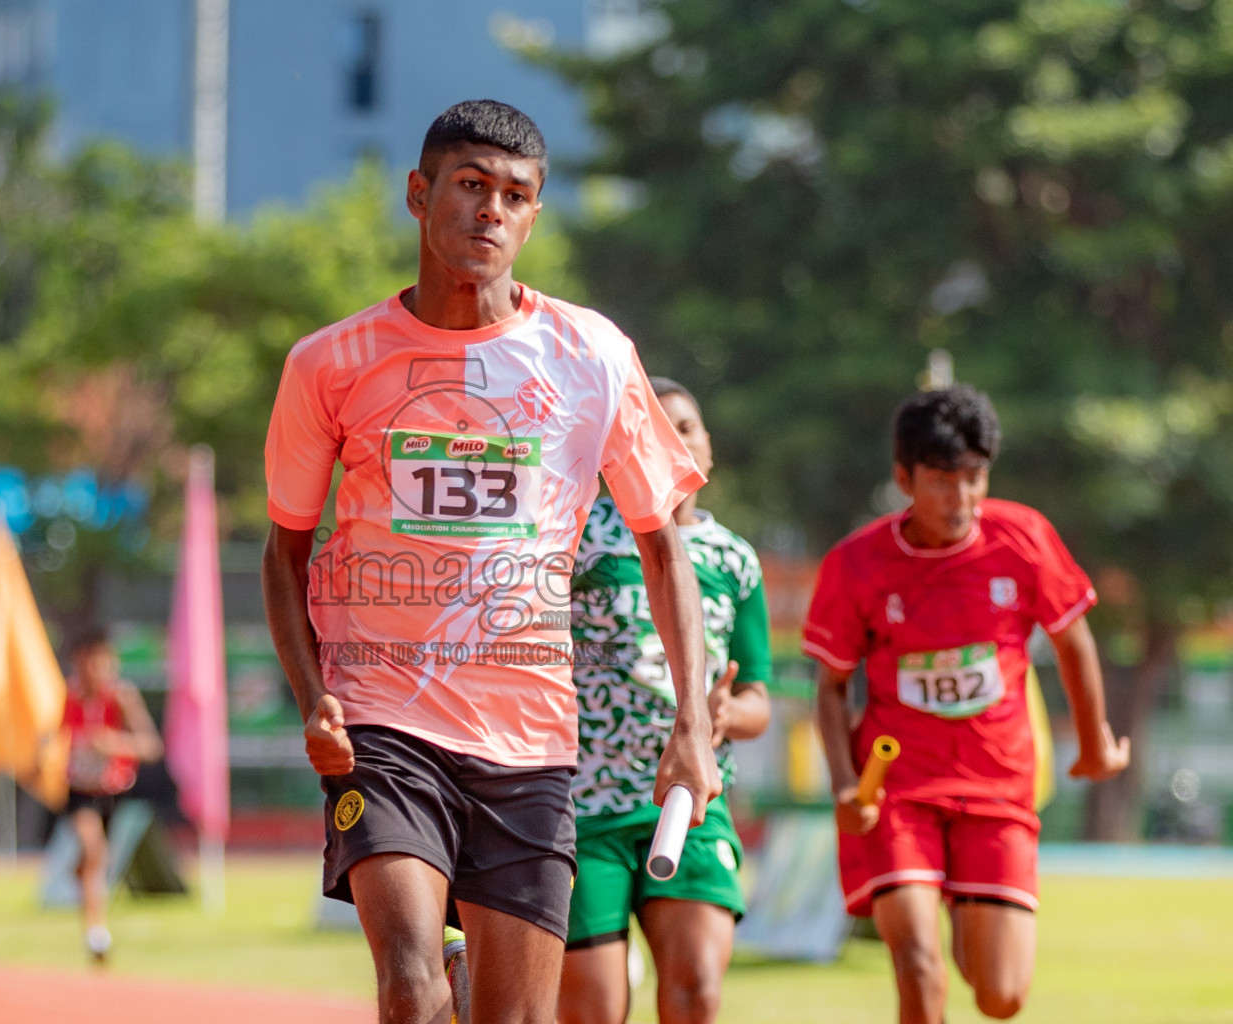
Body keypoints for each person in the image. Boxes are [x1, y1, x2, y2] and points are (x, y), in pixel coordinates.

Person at [262, 99, 722, 1024]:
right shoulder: (331, 364)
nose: (491, 212)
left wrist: (696, 726)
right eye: (470, 187)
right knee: (411, 981)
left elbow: (662, 543)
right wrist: (313, 693)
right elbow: (285, 552)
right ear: (419, 193)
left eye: (515, 195)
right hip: (382, 721)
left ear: (535, 215)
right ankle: (440, 984)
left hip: (530, 739)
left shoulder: (590, 355)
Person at [803, 385, 1130, 1023]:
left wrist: (1094, 746)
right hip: (898, 791)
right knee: (918, 965)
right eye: (942, 481)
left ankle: (966, 904)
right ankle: (936, 902)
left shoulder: (1024, 538)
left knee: (1000, 995)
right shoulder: (856, 565)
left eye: (975, 478)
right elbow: (832, 686)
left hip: (998, 787)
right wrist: (846, 784)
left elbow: (1075, 643)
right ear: (904, 478)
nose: (962, 499)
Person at [559, 378, 773, 1024]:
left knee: (697, 990)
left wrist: (723, 713)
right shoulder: (576, 538)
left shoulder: (734, 559)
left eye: (689, 428)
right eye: (658, 429)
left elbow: (757, 699)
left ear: (707, 450)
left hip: (690, 803)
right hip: (582, 807)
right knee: (593, 1010)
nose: (676, 442)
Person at [61, 626, 163, 963]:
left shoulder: (121, 697)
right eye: (86, 663)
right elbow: (48, 736)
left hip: (113, 791)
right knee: (95, 851)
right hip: (78, 790)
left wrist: (115, 743)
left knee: (93, 861)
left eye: (101, 663)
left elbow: (151, 747)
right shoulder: (66, 697)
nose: (93, 671)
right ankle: (96, 933)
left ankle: (81, 871)